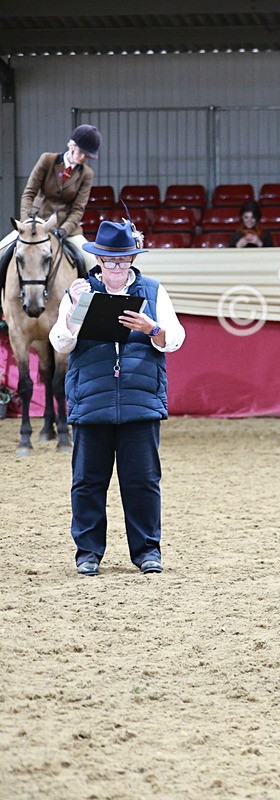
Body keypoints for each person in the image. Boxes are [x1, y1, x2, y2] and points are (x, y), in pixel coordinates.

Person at [49, 220, 186, 576]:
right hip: (91, 400)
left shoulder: (153, 290)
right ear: (98, 260)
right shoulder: (78, 292)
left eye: (123, 260)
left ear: (133, 259)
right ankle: (88, 553)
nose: (116, 267)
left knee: (143, 482)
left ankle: (147, 552)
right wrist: (76, 312)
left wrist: (152, 328)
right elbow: (61, 343)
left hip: (141, 401)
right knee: (87, 482)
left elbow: (175, 339)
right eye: (110, 261)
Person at [0, 124, 103, 287]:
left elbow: (78, 209)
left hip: (65, 229)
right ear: (72, 145)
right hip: (36, 221)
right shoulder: (47, 160)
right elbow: (29, 193)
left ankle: (87, 298)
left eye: (87, 155)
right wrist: (28, 223)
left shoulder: (86, 174)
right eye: (81, 152)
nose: (84, 157)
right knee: (1, 250)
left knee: (91, 261)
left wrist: (64, 230)